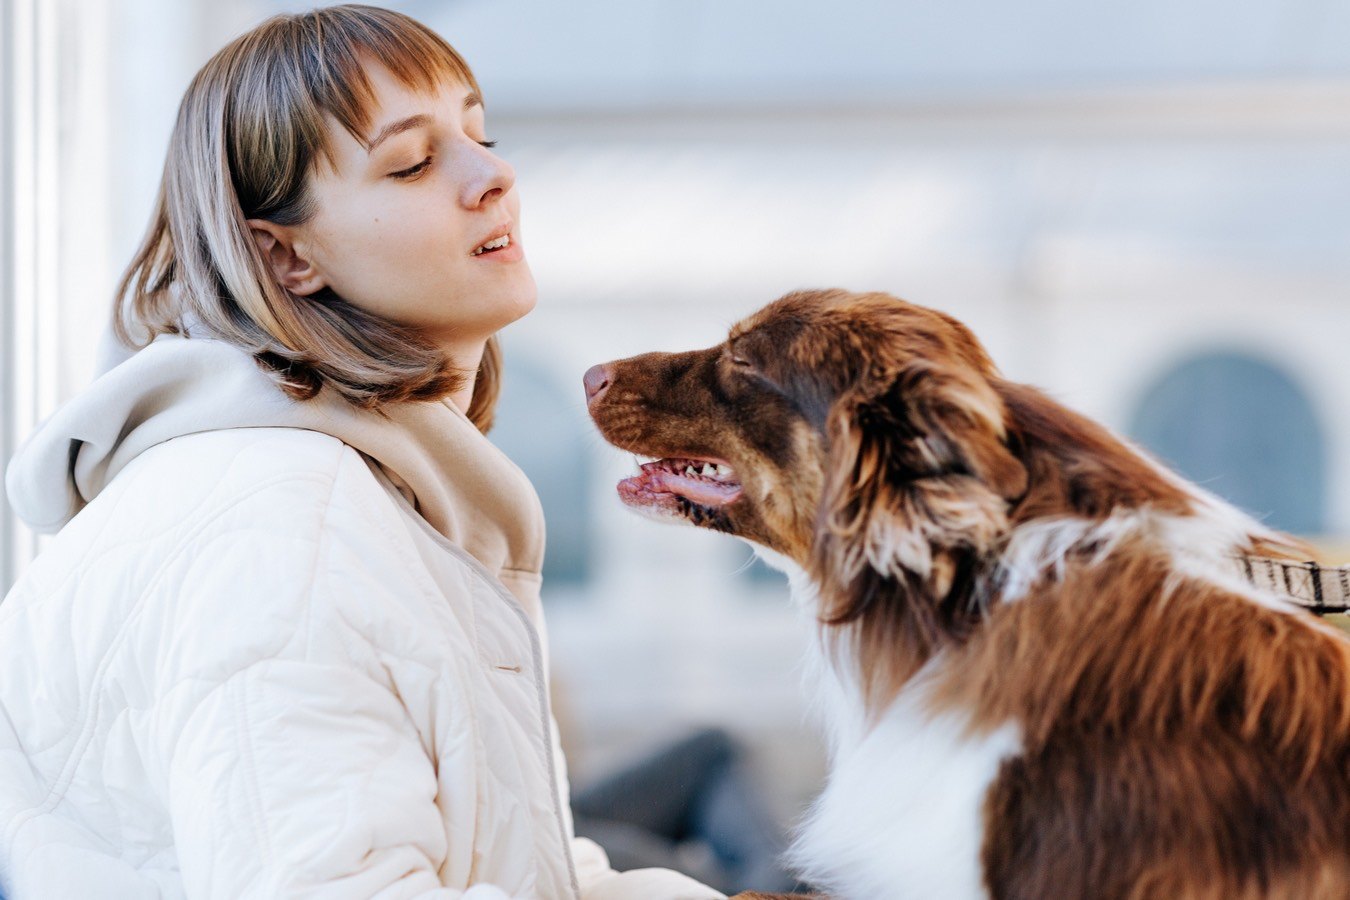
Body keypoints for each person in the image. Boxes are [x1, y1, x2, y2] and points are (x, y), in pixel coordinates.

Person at [0, 6, 724, 898]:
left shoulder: (343, 495)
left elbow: (512, 866)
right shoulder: (284, 528)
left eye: (479, 132)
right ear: (287, 255)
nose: (493, 174)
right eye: (413, 162)